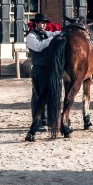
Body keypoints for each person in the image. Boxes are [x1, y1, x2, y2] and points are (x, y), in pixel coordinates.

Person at [25, 12, 63, 141]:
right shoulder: (31, 36)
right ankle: (38, 120)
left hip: (48, 68)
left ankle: (46, 119)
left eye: (45, 23)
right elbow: (39, 47)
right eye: (42, 23)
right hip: (39, 68)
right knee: (38, 95)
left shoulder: (46, 33)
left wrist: (64, 31)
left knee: (48, 94)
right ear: (36, 23)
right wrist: (51, 39)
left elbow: (54, 34)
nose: (45, 25)